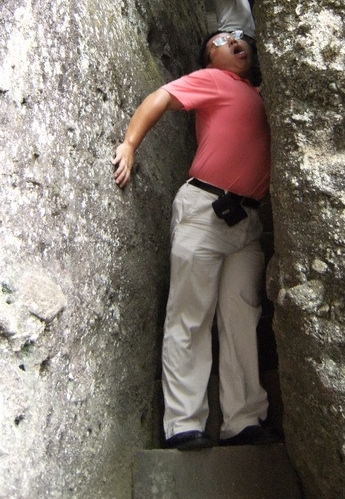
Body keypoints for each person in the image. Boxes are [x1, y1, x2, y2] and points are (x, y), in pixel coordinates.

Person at [113, 30, 280, 451]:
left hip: (247, 222)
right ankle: (184, 422)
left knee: (241, 315)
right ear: (209, 58)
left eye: (241, 37)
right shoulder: (211, 80)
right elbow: (163, 97)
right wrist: (130, 143)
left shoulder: (260, 93)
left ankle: (243, 419)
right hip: (206, 208)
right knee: (190, 314)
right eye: (222, 40)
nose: (236, 41)